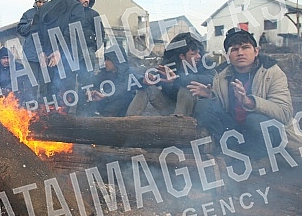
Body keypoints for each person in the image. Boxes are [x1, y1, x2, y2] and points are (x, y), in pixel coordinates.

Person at [188, 28, 300, 159]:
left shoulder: (272, 72)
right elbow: (223, 109)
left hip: (269, 134)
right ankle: (232, 151)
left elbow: (284, 113)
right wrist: (211, 96)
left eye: (245, 47)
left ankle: (262, 159)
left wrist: (249, 102)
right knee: (204, 106)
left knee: (254, 119)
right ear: (227, 55)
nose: (240, 53)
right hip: (237, 131)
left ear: (256, 51)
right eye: (234, 50)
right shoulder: (222, 75)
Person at [126, 32, 215, 117]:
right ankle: (128, 124)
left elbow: (211, 79)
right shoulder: (170, 66)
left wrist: (177, 78)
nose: (198, 56)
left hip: (196, 113)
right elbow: (153, 74)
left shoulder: (205, 65)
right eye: (193, 54)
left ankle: (180, 126)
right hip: (172, 108)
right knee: (147, 88)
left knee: (187, 88)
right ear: (182, 56)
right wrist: (145, 80)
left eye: (199, 53)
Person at [34, 0, 86, 109]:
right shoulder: (76, 7)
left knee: (47, 98)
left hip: (46, 60)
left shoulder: (46, 7)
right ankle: (60, 127)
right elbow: (73, 32)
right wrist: (59, 51)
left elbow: (35, 31)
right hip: (66, 59)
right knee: (64, 98)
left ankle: (45, 127)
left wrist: (41, 51)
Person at [82, 46, 140, 117]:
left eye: (108, 60)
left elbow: (122, 88)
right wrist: (91, 92)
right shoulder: (104, 73)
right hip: (105, 106)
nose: (105, 63)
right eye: (105, 60)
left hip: (122, 110)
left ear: (116, 60)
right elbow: (94, 84)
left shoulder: (129, 73)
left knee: (122, 99)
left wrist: (105, 95)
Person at [17, 0, 48, 101]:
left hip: (46, 56)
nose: (41, 4)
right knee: (32, 84)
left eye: (44, 2)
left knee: (45, 84)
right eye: (39, 1)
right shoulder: (28, 14)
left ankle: (44, 109)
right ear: (36, 2)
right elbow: (21, 30)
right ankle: (31, 108)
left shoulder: (52, 15)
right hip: (31, 56)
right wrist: (31, 23)